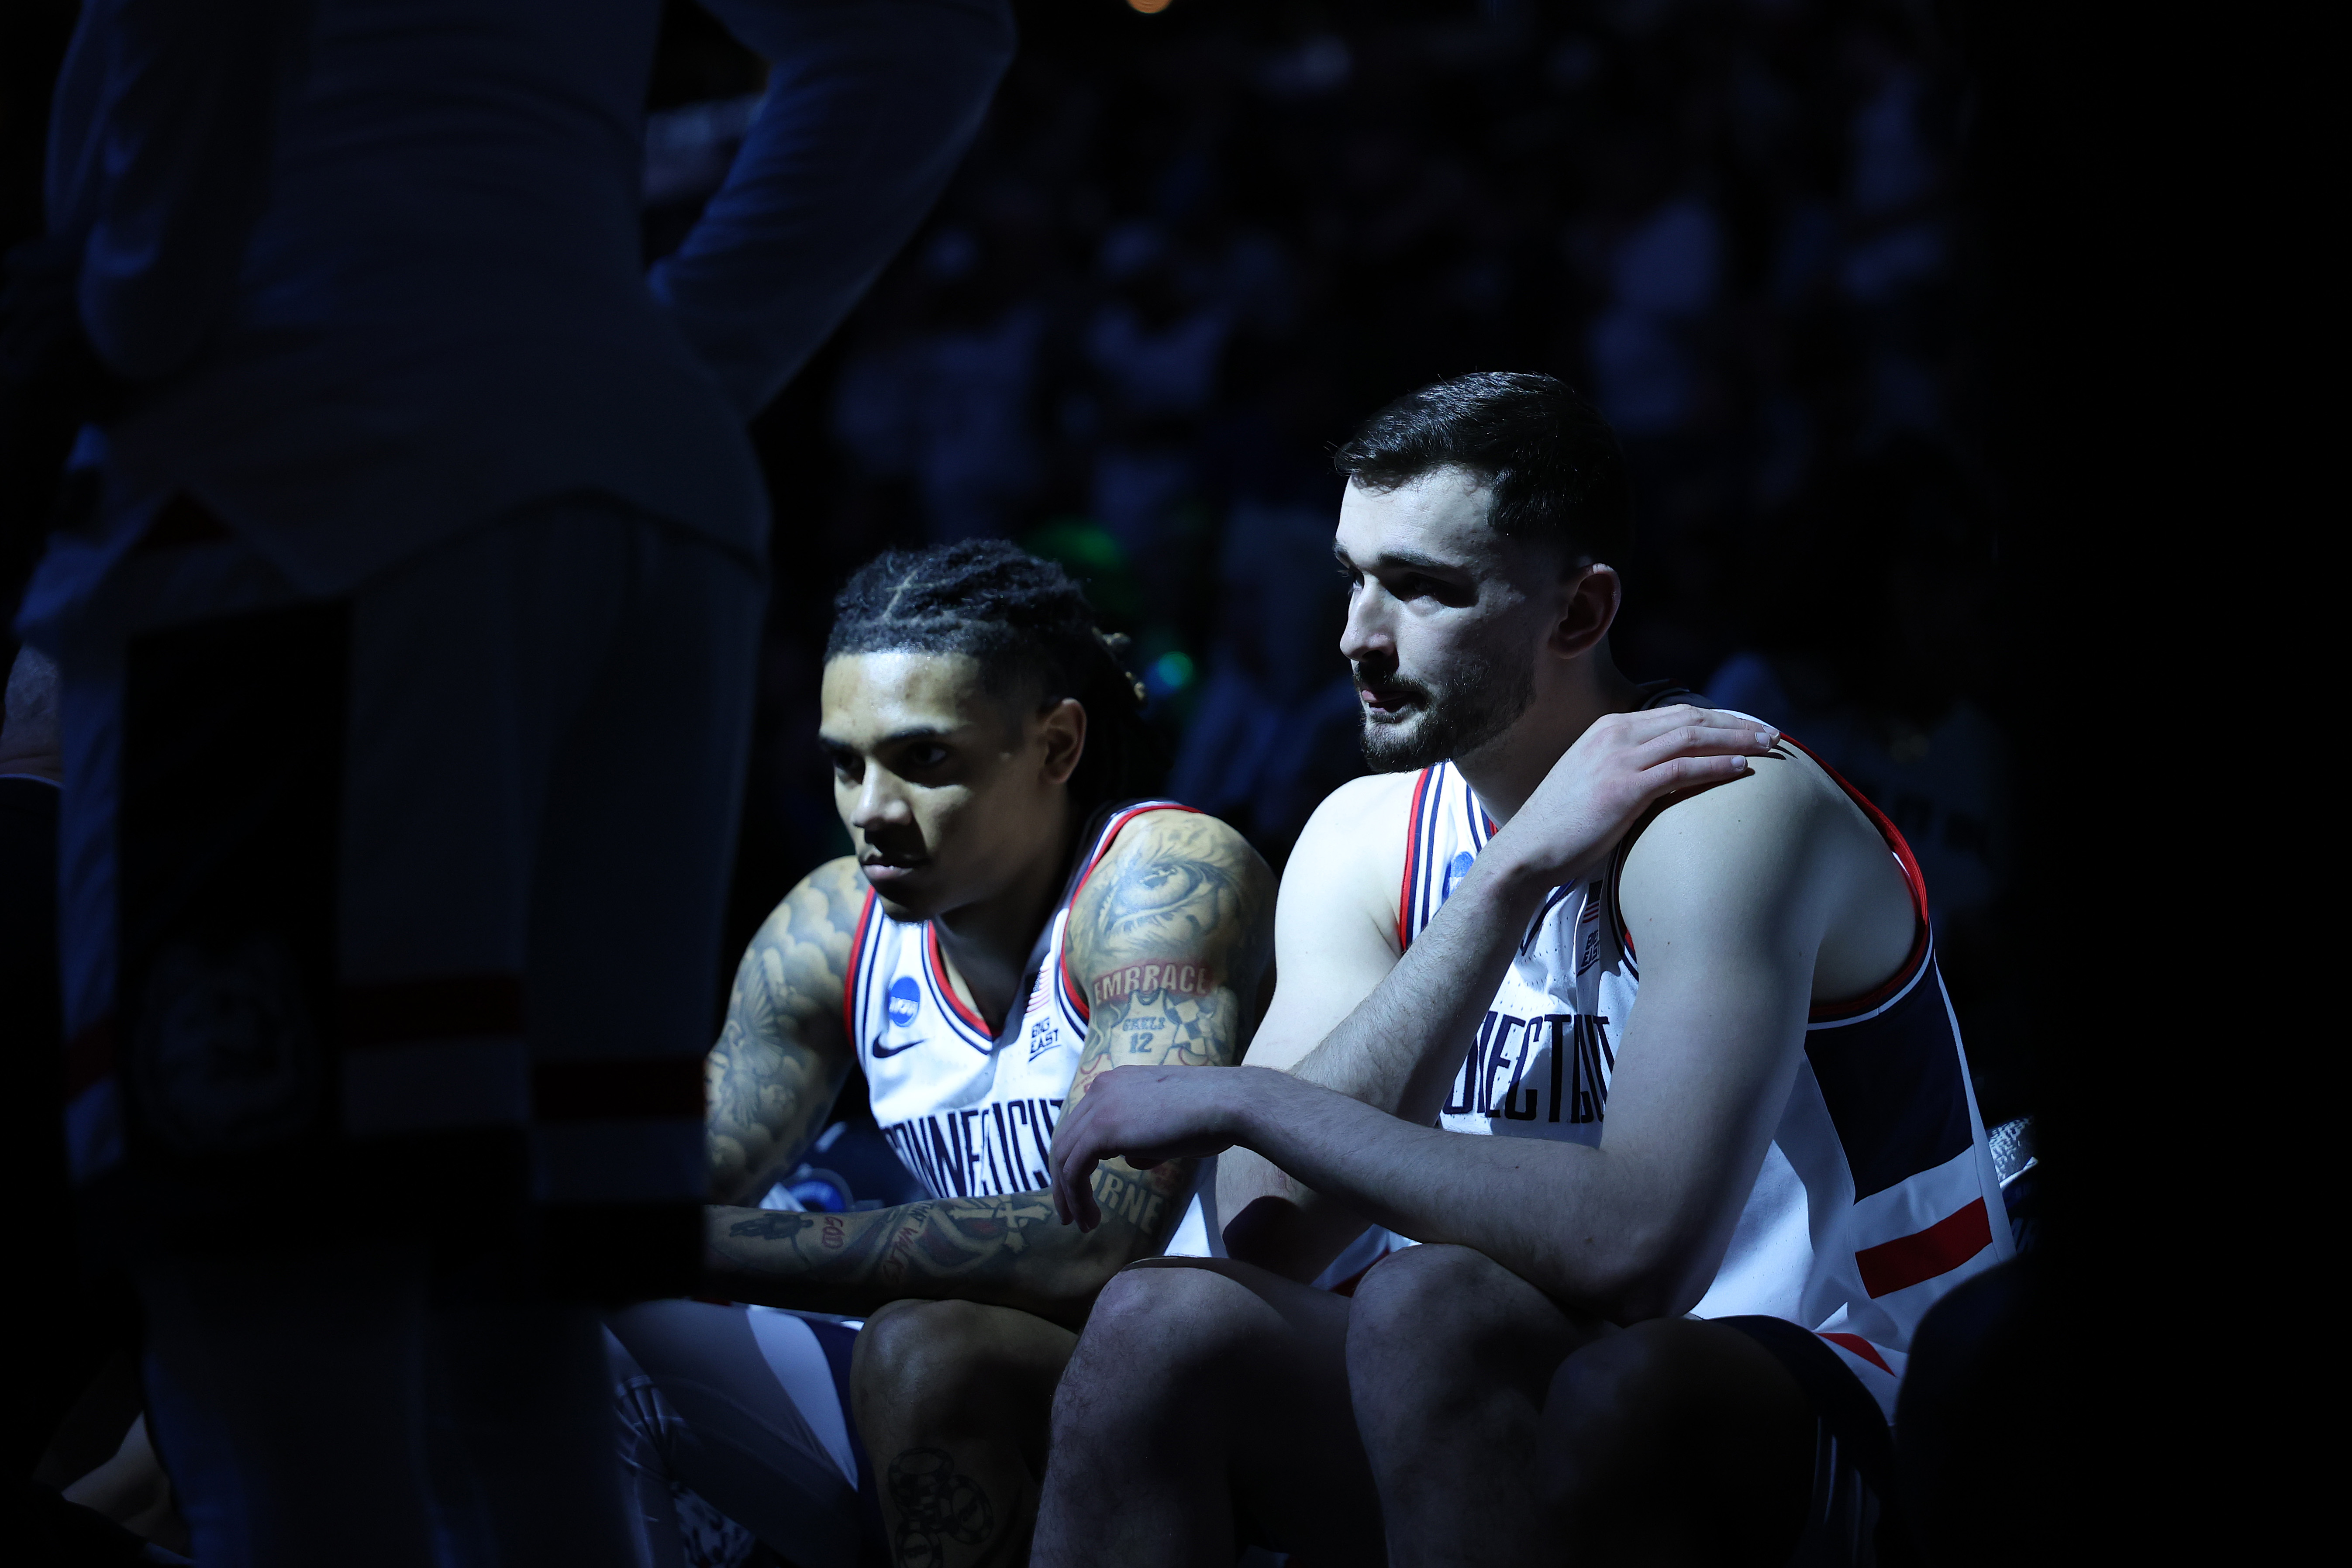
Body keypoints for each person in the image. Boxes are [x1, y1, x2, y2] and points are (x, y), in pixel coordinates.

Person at [13, 1, 1014, 1562]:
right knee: (520, 1331)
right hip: (637, 494)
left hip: (297, 500)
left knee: (270, 1341)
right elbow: (923, 38)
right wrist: (648, 369)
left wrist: (121, 307)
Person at [1036, 371, 2012, 1567]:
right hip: (1507, 1369)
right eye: (1353, 576)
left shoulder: (1723, 807)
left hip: (1860, 1387)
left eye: (1424, 590)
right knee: (1156, 1327)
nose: (1356, 636)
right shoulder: (1364, 835)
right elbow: (1269, 1234)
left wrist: (1247, 1094)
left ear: (1578, 614)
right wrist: (1501, 884)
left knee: (1430, 1306)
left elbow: (1638, 1253)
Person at [606, 540, 1272, 1568]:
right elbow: (671, 1174)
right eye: (844, 762)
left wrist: (660, 1239)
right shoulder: (830, 924)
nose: (870, 808)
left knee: (927, 1346)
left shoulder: (1159, 877)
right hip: (958, 1386)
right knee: (565, 1323)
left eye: (923, 759)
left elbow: (1093, 1246)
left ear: (1054, 747)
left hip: (1192, 1401)